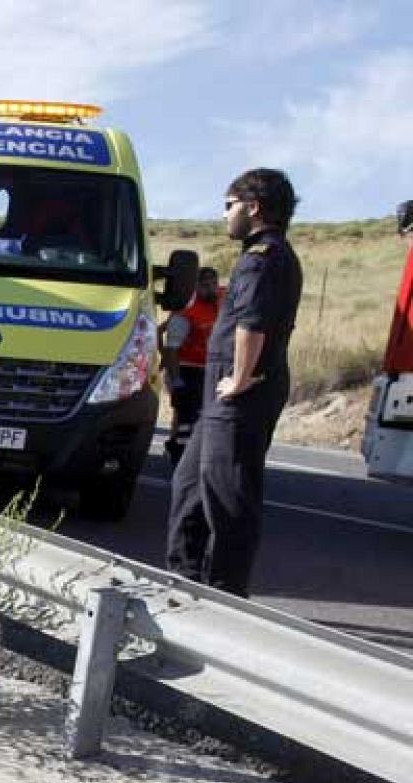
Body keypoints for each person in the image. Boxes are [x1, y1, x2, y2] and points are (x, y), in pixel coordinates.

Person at [166, 169, 303, 597]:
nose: (225, 215)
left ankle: (224, 595)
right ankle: (182, 582)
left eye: (230, 205)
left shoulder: (262, 257)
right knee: (189, 486)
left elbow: (252, 325)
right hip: (223, 394)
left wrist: (239, 380)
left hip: (239, 393)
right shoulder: (263, 255)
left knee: (228, 495)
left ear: (254, 206)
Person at [161, 267, 224, 470]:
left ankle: (181, 449)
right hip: (186, 368)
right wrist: (176, 380)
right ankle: (180, 457)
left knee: (203, 415)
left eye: (213, 284)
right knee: (186, 415)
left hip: (212, 368)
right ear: (195, 287)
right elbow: (171, 349)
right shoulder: (185, 312)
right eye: (205, 286)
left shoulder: (223, 299)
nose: (211, 289)